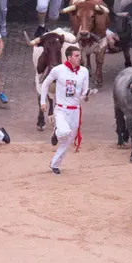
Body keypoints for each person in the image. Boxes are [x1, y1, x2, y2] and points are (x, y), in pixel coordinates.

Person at [40, 46, 90, 175]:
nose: (79, 58)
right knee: (64, 132)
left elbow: (84, 93)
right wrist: (43, 101)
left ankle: (54, 164)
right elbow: (45, 83)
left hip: (76, 110)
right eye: (76, 55)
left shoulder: (84, 71)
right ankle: (57, 131)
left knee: (68, 140)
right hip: (61, 109)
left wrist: (86, 96)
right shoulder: (58, 70)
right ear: (69, 57)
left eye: (80, 55)